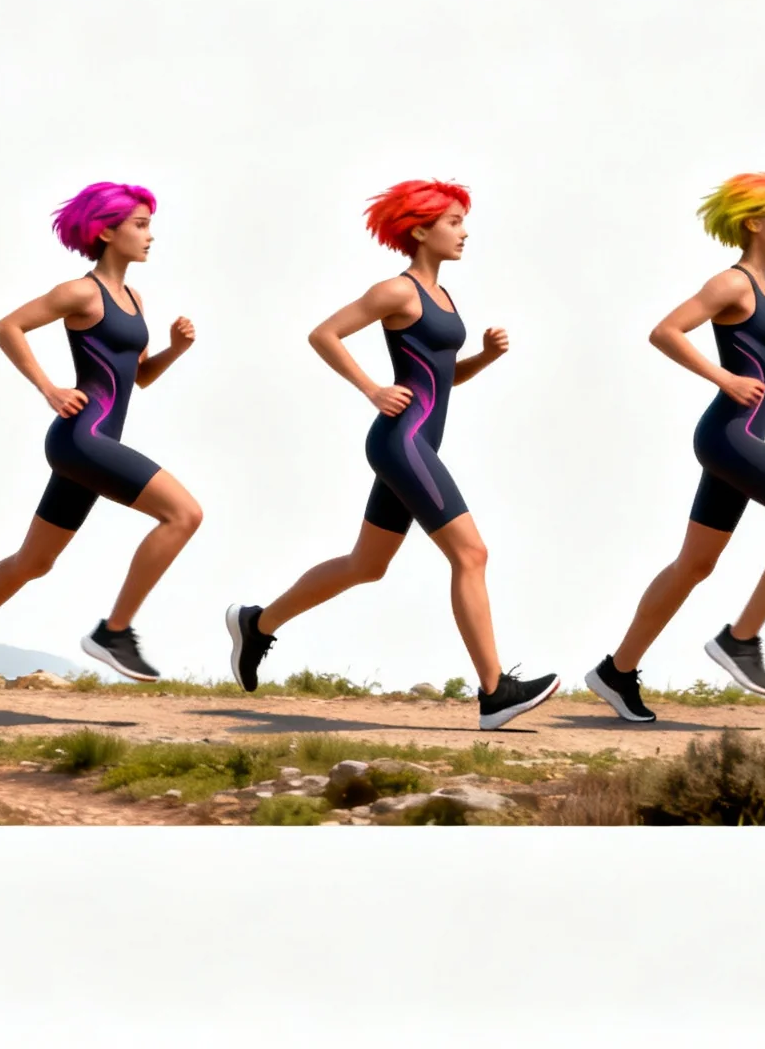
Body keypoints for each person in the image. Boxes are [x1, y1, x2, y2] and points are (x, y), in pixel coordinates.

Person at [223, 179, 560, 731]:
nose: (464, 231)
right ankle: (496, 691)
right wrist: (372, 389)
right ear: (421, 229)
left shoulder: (444, 298)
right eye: (453, 221)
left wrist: (484, 358)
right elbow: (324, 334)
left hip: (416, 442)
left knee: (366, 565)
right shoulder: (396, 291)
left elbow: (442, 378)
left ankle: (258, 624)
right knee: (471, 554)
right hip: (400, 441)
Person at [0, 183, 199, 708]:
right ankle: (115, 631)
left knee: (33, 562)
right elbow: (8, 327)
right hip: (80, 438)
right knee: (183, 514)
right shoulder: (80, 292)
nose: (150, 234)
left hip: (94, 443)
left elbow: (141, 377)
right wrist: (49, 388)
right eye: (139, 224)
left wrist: (175, 351)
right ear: (107, 231)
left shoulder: (134, 300)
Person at [583, 173, 765, 723]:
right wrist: (722, 380)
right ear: (755, 222)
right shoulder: (733, 283)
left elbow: (761, 377)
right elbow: (667, 331)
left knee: (695, 564)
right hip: (731, 437)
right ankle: (740, 639)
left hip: (738, 436)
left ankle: (616, 671)